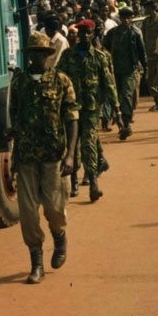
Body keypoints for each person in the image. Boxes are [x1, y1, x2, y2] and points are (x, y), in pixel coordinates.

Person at [8, 32, 79, 284]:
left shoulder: (61, 81)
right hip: (26, 156)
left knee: (54, 208)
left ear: (49, 55)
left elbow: (71, 119)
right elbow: (14, 115)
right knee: (27, 212)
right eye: (33, 54)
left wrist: (70, 155)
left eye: (42, 53)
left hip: (53, 156)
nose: (38, 58)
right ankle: (36, 262)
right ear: (28, 56)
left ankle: (59, 237)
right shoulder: (19, 83)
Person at [56, 20, 119, 200]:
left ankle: (93, 182)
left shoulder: (100, 57)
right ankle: (74, 181)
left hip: (91, 108)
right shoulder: (68, 56)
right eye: (81, 33)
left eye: (88, 33)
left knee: (89, 143)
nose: (84, 36)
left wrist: (116, 109)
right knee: (72, 144)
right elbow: (58, 79)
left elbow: (109, 84)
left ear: (94, 35)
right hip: (71, 108)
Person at [102, 6, 146, 140]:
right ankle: (116, 120)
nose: (127, 20)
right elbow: (105, 51)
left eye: (129, 18)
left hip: (130, 70)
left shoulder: (135, 33)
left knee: (126, 96)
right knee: (115, 97)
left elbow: (141, 52)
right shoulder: (112, 34)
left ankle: (126, 125)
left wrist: (145, 68)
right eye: (124, 17)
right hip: (114, 71)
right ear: (120, 18)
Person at [141, 0, 158, 112]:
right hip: (149, 54)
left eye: (146, 8)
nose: (145, 10)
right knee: (150, 80)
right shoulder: (146, 21)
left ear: (151, 8)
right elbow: (143, 37)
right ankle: (157, 100)